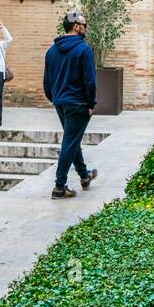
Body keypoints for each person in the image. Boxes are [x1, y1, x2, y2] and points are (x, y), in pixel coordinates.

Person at [43, 10, 98, 198]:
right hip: (79, 103)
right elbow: (89, 81)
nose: (85, 28)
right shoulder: (83, 50)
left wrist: (55, 98)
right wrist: (91, 103)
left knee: (71, 139)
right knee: (70, 142)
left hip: (60, 103)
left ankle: (84, 176)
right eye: (84, 25)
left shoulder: (51, 51)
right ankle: (59, 186)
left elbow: (47, 81)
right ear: (76, 27)